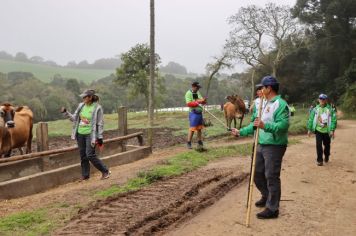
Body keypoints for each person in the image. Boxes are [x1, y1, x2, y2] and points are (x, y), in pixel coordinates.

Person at [231, 75, 290, 219]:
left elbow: (283, 126)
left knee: (271, 175)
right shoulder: (262, 104)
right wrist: (240, 132)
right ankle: (267, 195)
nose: (260, 90)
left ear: (269, 88)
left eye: (262, 87)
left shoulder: (281, 104)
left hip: (275, 145)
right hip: (260, 143)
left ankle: (272, 208)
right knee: (257, 173)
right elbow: (255, 124)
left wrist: (266, 126)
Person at [61, 89, 111, 180]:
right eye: (83, 97)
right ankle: (85, 175)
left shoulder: (97, 108)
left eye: (85, 97)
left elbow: (100, 123)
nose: (83, 98)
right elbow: (74, 119)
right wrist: (66, 112)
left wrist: (99, 137)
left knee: (90, 155)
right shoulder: (81, 106)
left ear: (90, 97)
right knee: (83, 155)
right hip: (80, 134)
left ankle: (105, 171)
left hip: (90, 135)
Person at [307, 94, 337, 166]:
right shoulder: (315, 109)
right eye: (320, 99)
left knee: (327, 145)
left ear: (326, 100)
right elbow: (311, 119)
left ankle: (326, 155)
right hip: (318, 130)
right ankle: (319, 160)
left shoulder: (330, 109)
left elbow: (333, 120)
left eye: (323, 99)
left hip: (327, 131)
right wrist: (309, 129)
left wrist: (332, 130)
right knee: (318, 145)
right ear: (318, 100)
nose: (322, 100)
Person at [185, 81, 207, 149]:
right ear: (193, 87)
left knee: (199, 128)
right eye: (197, 88)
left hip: (199, 113)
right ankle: (189, 142)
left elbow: (200, 100)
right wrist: (197, 102)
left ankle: (199, 141)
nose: (198, 89)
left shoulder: (197, 92)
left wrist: (203, 101)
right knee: (192, 128)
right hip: (193, 113)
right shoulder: (188, 93)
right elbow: (188, 104)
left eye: (198, 88)